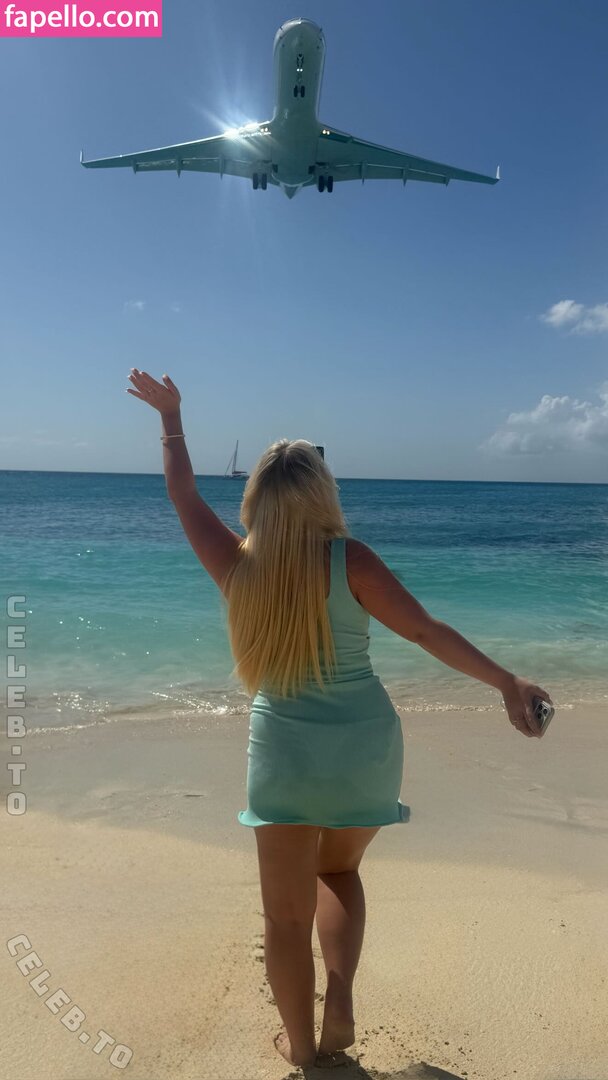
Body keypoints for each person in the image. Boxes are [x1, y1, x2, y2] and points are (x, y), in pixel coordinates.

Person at [126, 368, 554, 1069]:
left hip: (283, 753)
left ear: (255, 499)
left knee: (284, 917)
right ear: (323, 496)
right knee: (339, 872)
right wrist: (506, 681)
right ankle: (342, 996)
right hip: (365, 746)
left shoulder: (235, 565)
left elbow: (183, 493)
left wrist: (172, 420)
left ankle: (302, 1049)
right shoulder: (350, 561)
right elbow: (425, 631)